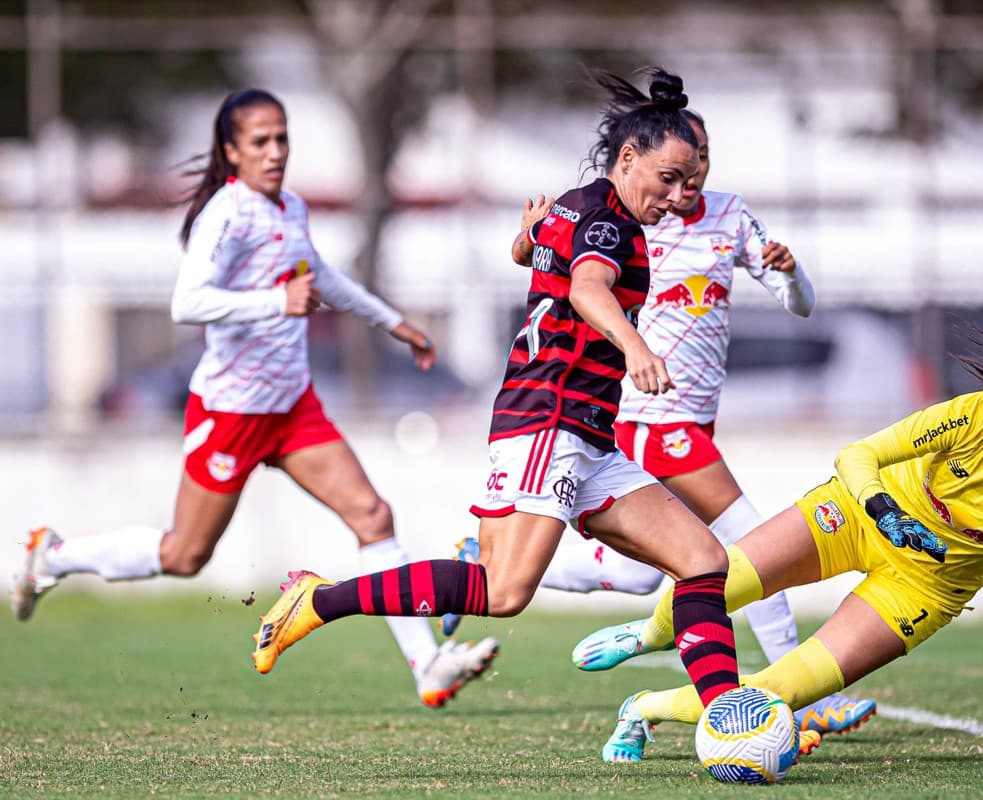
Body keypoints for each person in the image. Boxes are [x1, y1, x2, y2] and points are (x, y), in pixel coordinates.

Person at [246, 69, 793, 748]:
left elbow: (532, 254)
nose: (680, 196)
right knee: (503, 593)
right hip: (550, 422)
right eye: (669, 178)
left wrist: (525, 237)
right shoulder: (611, 227)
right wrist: (635, 346)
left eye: (690, 182)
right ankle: (319, 600)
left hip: (586, 434)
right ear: (628, 159)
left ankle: (726, 718)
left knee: (704, 561)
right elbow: (590, 287)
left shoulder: (577, 202)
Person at [10, 88, 499, 709]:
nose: (275, 152)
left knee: (373, 517)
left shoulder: (290, 206)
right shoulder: (226, 215)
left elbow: (318, 275)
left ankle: (427, 665)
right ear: (231, 151)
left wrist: (393, 322)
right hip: (232, 413)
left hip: (293, 409)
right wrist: (277, 302)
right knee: (185, 555)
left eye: (282, 138)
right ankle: (54, 557)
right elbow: (187, 303)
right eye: (261, 141)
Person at [439, 108, 875, 736]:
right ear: (643, 161)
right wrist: (535, 244)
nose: (684, 187)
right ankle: (791, 699)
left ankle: (481, 559)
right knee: (754, 547)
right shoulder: (631, 212)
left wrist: (790, 271)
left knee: (647, 573)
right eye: (676, 171)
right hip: (649, 417)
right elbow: (572, 273)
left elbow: (798, 306)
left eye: (697, 169)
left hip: (690, 415)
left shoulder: (726, 215)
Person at [574, 329, 983, 762]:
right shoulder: (982, 412)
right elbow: (859, 454)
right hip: (856, 514)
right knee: (717, 577)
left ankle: (644, 706)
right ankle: (652, 634)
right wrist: (882, 508)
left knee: (776, 695)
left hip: (925, 586)